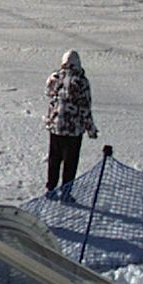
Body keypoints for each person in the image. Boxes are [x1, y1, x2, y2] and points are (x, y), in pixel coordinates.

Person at [45, 50, 98, 199]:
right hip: (73, 130)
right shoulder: (81, 81)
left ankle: (50, 188)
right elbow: (85, 106)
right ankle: (66, 191)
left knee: (54, 159)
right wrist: (90, 128)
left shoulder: (56, 77)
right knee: (70, 162)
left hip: (56, 126)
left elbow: (48, 93)